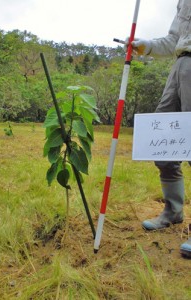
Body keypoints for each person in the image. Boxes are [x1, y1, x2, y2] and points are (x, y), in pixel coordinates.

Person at [127, 0, 191, 258]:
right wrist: (147, 46)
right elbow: (174, 40)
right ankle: (173, 210)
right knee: (161, 135)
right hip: (180, 65)